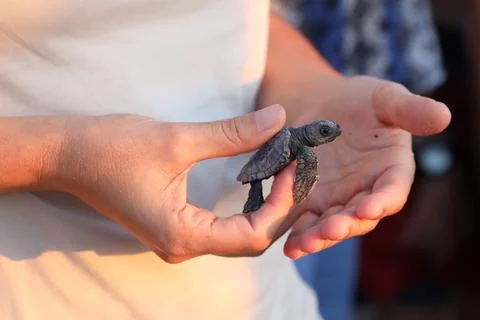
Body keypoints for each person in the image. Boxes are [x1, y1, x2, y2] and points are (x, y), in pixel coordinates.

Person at [0, 1, 450, 319]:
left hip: (257, 298)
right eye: (326, 132)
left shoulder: (304, 145)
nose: (327, 136)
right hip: (45, 291)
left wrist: (315, 92)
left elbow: (232, 21)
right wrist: (59, 154)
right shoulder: (301, 153)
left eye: (327, 133)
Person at [288, 1, 447, 319]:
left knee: (329, 299)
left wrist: (441, 166)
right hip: (283, 165)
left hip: (347, 163)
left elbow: (416, 54)